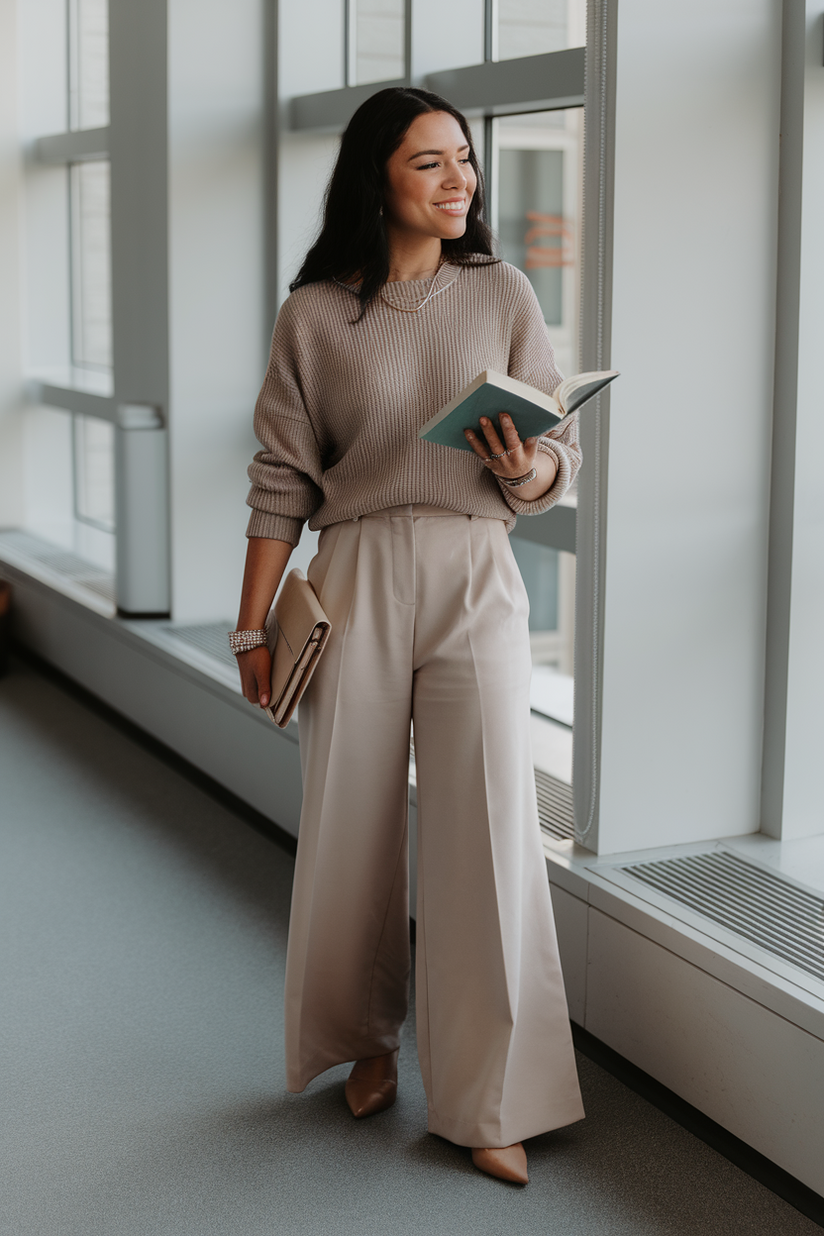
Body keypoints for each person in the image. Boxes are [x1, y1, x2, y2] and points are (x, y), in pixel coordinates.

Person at [232, 86, 585, 1185]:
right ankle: (360, 1044)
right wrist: (252, 626)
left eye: (464, 162)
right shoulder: (315, 315)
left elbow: (549, 460)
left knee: (488, 830)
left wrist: (524, 465)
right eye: (428, 163)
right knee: (349, 824)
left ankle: (491, 1098)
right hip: (356, 570)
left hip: (476, 567)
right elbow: (280, 481)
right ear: (374, 177)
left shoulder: (503, 290)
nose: (457, 182)